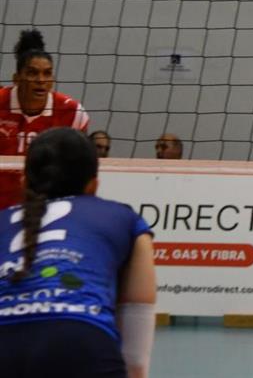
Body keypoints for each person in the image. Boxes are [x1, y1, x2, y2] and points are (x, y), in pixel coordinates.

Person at [0, 127, 156, 378]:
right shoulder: (125, 219)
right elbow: (136, 356)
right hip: (80, 340)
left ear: (24, 182)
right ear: (94, 186)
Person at [0, 29, 90, 207]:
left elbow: (78, 168)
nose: (41, 80)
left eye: (47, 73)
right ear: (17, 79)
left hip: (43, 207)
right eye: (32, 73)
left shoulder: (72, 113)